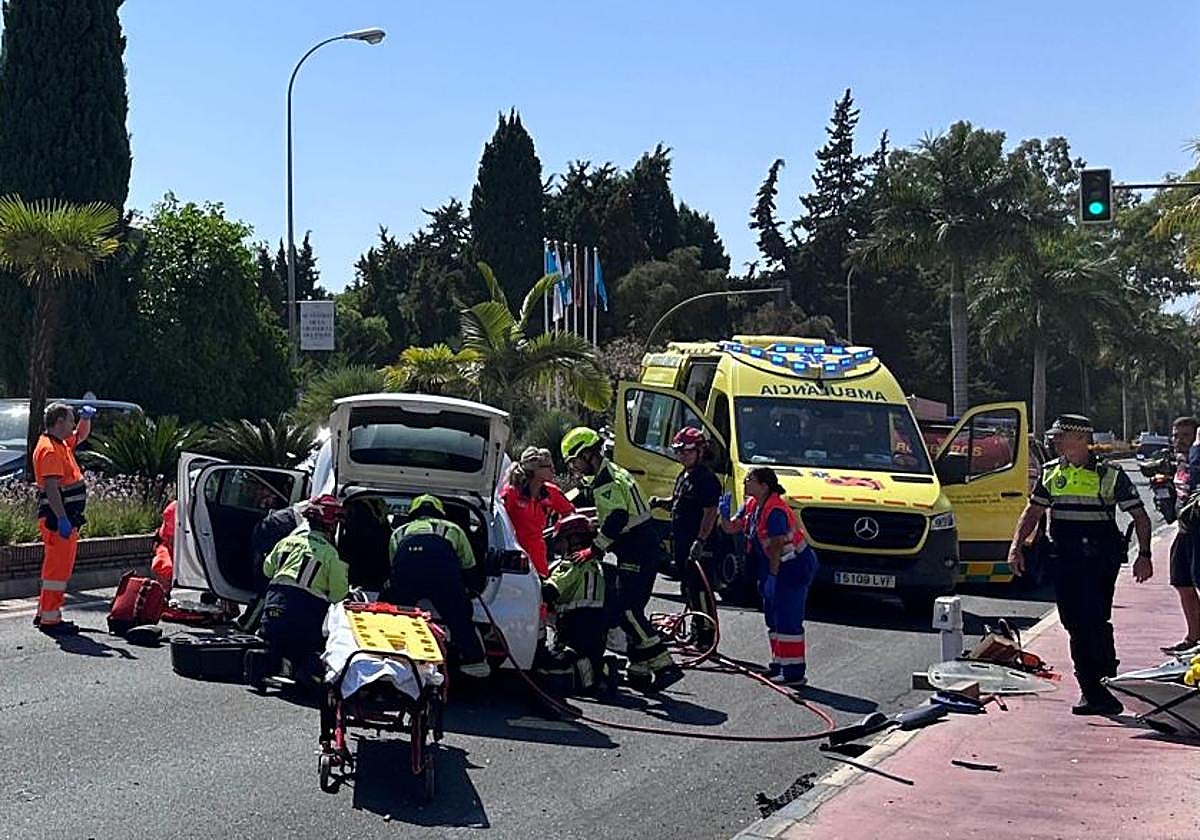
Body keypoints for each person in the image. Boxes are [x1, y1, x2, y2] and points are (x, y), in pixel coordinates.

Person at [1008, 414, 1153, 716]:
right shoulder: (1050, 472)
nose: (1055, 440)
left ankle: (1104, 687)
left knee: (1094, 621)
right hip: (1064, 558)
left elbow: (1140, 516)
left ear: (1080, 439)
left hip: (1098, 560)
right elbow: (1032, 513)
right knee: (1072, 622)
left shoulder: (1108, 475)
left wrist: (1145, 555)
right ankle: (1089, 688)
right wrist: (1016, 546)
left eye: (1060, 436)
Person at [560, 426, 683, 693]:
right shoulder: (614, 472)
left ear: (587, 454)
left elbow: (617, 517)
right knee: (631, 607)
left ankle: (664, 664)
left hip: (636, 549)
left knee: (627, 609)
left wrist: (593, 549)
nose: (576, 468)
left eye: (575, 461)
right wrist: (596, 524)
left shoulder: (605, 480)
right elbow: (618, 513)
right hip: (642, 546)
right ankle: (639, 669)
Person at [718, 467, 818, 686]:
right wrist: (724, 516)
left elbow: (776, 546)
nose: (745, 482)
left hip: (792, 568)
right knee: (773, 619)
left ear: (764, 486)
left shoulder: (775, 510)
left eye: (750, 480)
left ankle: (793, 673)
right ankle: (779, 664)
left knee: (787, 620)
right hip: (772, 568)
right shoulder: (752, 505)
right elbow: (733, 527)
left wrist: (772, 577)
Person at [247, 495, 350, 689]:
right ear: (331, 524)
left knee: (274, 644)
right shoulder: (330, 554)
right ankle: (304, 671)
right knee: (310, 652)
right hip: (305, 618)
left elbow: (267, 570)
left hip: (273, 611)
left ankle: (263, 664)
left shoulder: (287, 541)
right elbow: (338, 595)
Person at [383, 494, 490, 678]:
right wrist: (469, 587)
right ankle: (474, 662)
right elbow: (469, 564)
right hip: (444, 577)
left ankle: (387, 654)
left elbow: (394, 565)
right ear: (440, 511)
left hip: (408, 577)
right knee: (459, 617)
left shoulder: (399, 532)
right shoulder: (453, 529)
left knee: (392, 614)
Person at [650, 427, 722, 650]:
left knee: (701, 591)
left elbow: (710, 511)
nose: (682, 455)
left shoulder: (706, 479)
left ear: (700, 451)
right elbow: (679, 501)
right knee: (689, 589)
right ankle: (695, 629)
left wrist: (700, 541)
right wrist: (660, 502)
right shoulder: (685, 474)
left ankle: (706, 637)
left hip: (699, 546)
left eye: (687, 451)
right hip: (682, 544)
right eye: (678, 451)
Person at [537, 513, 619, 697]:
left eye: (562, 541)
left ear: (573, 540)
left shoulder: (572, 564)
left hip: (575, 624)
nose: (559, 547)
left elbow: (551, 590)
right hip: (597, 624)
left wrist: (535, 584)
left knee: (548, 664)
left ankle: (587, 680)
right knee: (591, 655)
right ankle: (602, 671)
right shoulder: (596, 564)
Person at [32, 402, 93, 635]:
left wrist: (86, 419)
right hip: (58, 520)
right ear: (59, 423)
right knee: (57, 572)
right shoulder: (49, 450)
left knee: (54, 569)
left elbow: (80, 436)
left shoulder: (60, 444)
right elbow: (51, 488)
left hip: (63, 519)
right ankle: (51, 619)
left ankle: (44, 612)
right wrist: (62, 519)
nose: (74, 425)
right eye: (71, 420)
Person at [500, 446, 575, 577]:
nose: (553, 469)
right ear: (535, 470)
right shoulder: (511, 493)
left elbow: (569, 512)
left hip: (538, 553)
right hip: (513, 552)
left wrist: (560, 531)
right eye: (548, 466)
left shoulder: (551, 492)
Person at [1163, 416, 1200, 654]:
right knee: (1182, 583)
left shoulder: (1198, 462)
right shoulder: (1177, 463)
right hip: (1183, 531)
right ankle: (1193, 638)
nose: (1180, 440)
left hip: (1199, 534)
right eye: (1176, 435)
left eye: (1186, 435)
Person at [150, 500, 177, 593]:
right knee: (165, 567)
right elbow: (169, 537)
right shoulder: (174, 509)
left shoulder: (175, 507)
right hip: (165, 546)